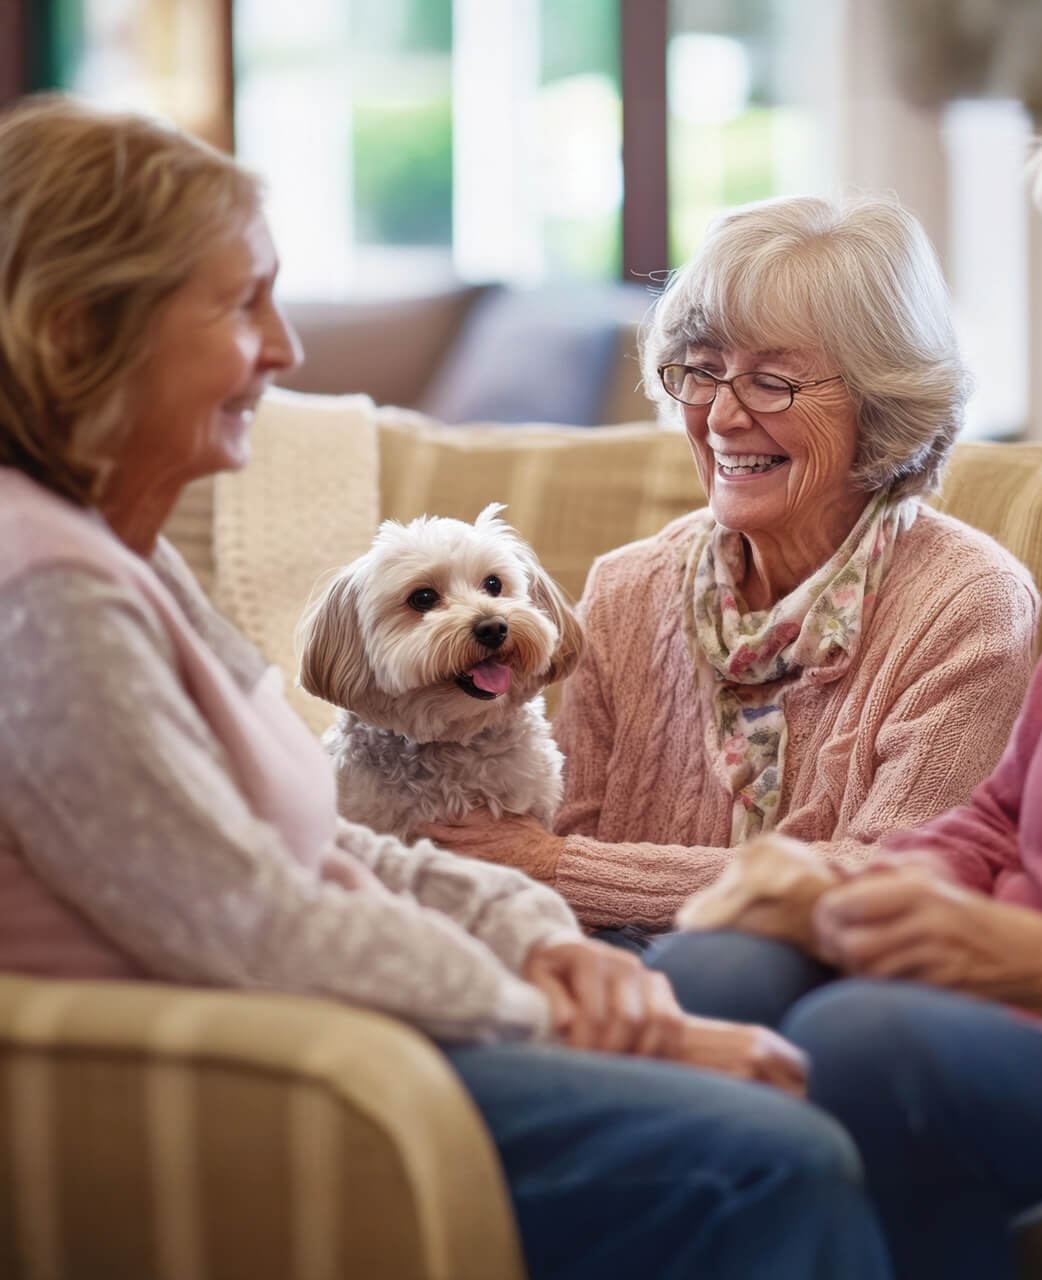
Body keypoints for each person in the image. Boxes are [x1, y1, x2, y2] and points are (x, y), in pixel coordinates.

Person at [0, 95, 895, 1280]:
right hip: (256, 1070)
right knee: (777, 1153)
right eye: (239, 304)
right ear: (74, 334)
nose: (286, 349)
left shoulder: (113, 549)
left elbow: (320, 851)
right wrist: (572, 1014)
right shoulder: (46, 597)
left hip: (334, 1020)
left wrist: (536, 938)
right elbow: (247, 919)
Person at [648, 78, 1042, 1280]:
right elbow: (998, 813)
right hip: (1000, 982)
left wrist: (1011, 956)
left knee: (867, 1041)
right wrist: (874, 894)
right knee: (709, 968)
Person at [425, 193, 1041, 939]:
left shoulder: (968, 604)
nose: (720, 417)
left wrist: (564, 870)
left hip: (832, 987)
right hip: (608, 964)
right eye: (703, 370)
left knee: (727, 966)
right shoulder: (629, 587)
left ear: (880, 403)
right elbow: (558, 828)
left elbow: (892, 882)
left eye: (772, 382)